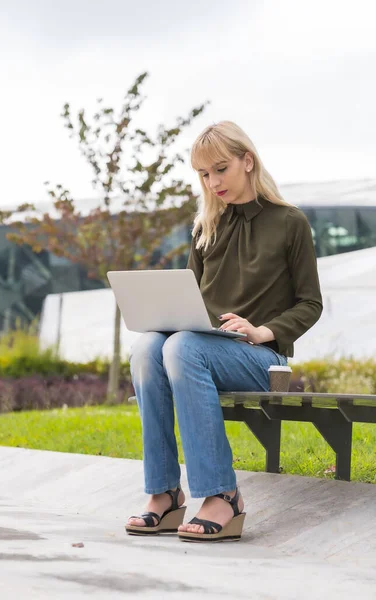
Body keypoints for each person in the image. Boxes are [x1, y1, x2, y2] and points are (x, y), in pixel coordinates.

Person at [126, 121, 323, 542]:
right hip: (201, 347)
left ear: (247, 161)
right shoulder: (205, 227)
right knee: (147, 349)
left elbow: (311, 304)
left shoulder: (290, 223)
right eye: (203, 175)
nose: (212, 182)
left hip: (264, 360)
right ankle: (164, 494)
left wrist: (261, 331)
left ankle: (223, 494)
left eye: (220, 169)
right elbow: (192, 302)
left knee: (180, 348)